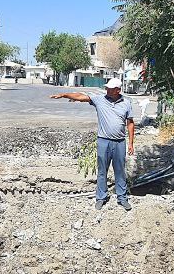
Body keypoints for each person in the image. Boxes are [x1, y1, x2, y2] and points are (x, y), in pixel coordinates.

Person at [51, 78, 136, 211]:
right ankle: (101, 198)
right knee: (102, 171)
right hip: (103, 141)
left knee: (120, 171)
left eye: (110, 88)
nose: (107, 90)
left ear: (118, 90)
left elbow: (130, 123)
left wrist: (131, 143)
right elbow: (80, 97)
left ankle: (122, 198)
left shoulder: (127, 102)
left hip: (120, 142)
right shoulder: (99, 99)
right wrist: (64, 95)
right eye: (107, 87)